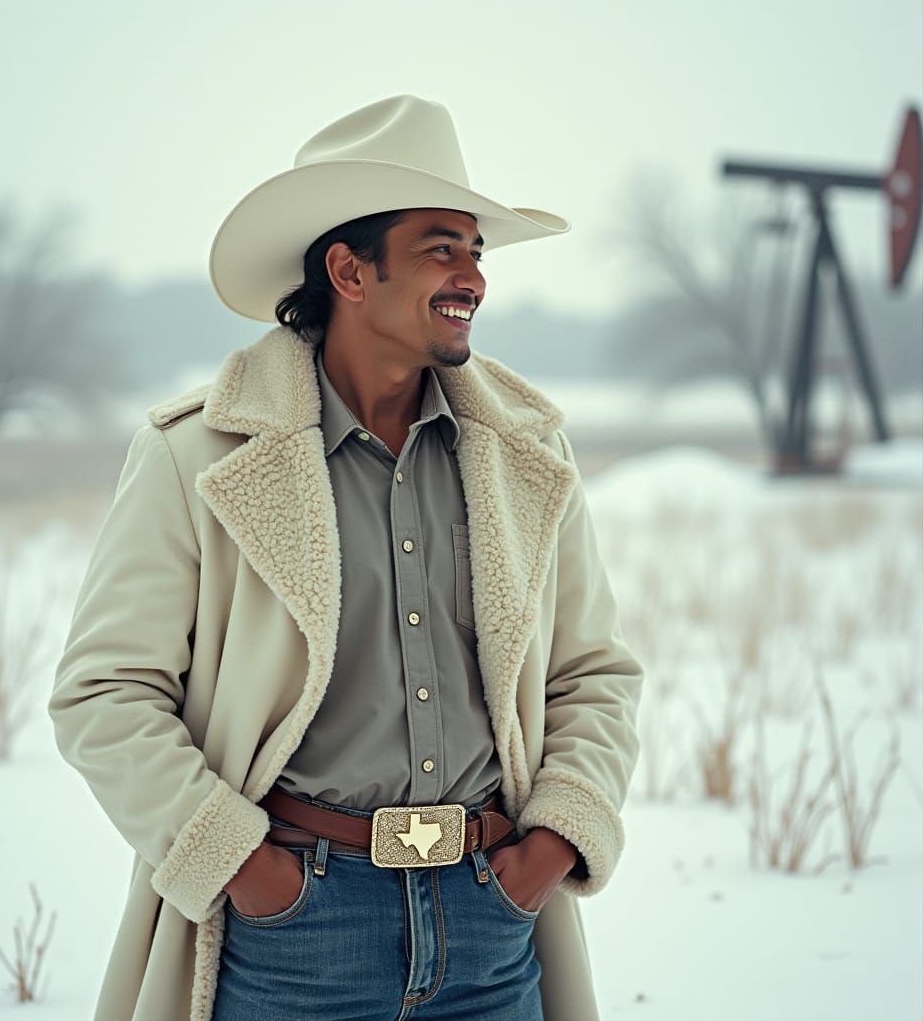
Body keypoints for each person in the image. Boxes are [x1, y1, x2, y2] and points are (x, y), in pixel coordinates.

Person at [49, 93, 644, 1021]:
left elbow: (594, 675)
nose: (473, 278)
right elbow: (104, 694)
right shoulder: (193, 458)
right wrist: (245, 870)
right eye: (441, 247)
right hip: (296, 935)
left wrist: (550, 849)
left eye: (477, 252)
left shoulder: (528, 456)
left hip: (493, 922)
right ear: (348, 270)